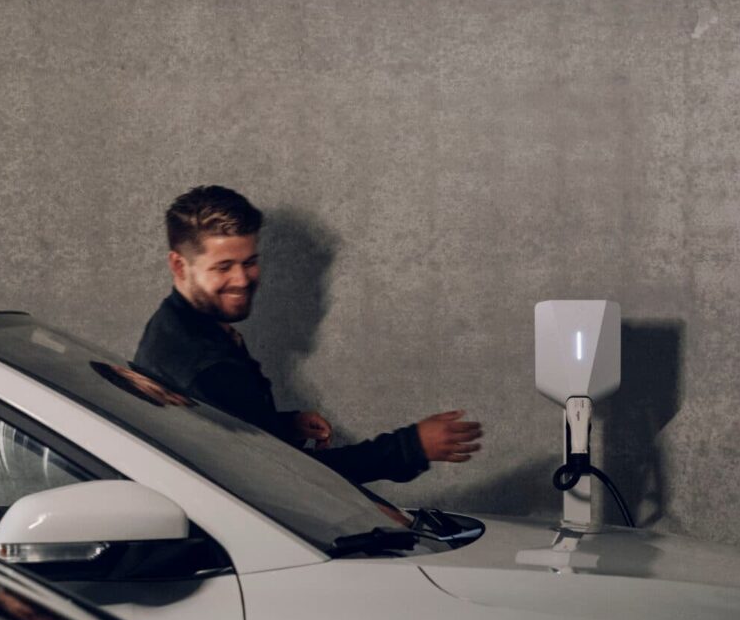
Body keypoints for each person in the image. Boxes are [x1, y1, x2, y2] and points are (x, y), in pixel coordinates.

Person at [133, 185, 481, 485]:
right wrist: (412, 446)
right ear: (179, 266)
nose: (242, 280)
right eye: (223, 267)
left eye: (249, 261)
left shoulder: (177, 325)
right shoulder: (205, 365)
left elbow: (220, 440)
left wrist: (280, 427)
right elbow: (287, 481)